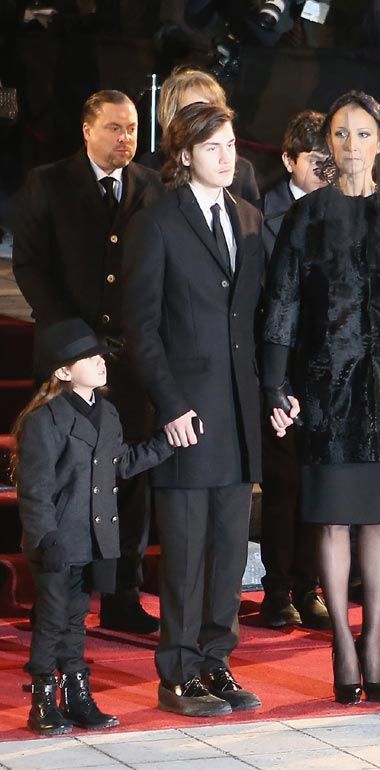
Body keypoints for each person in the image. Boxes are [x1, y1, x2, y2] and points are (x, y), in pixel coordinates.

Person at [263, 91, 380, 704]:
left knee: (377, 519)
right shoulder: (306, 217)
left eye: (362, 133)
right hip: (324, 391)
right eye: (340, 134)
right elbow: (282, 309)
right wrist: (277, 384)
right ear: (329, 144)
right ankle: (342, 649)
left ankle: (372, 641)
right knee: (330, 519)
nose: (351, 145)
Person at [122, 102, 264, 717]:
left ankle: (216, 662)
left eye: (231, 144)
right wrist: (170, 405)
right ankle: (178, 670)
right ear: (183, 154)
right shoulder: (157, 224)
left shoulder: (252, 221)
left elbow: (255, 324)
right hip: (186, 418)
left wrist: (274, 395)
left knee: (230, 548)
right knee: (184, 550)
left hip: (238, 415)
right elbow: (141, 329)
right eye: (213, 147)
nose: (227, 156)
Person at [12, 89, 164, 634]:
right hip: (65, 355)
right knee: (59, 476)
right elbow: (29, 265)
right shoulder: (48, 182)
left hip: (130, 359)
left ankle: (123, 594)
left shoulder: (151, 186)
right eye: (115, 128)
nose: (127, 138)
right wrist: (75, 342)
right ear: (86, 129)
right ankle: (54, 594)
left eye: (132, 128)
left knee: (128, 478)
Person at [11, 318, 174, 735]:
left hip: (94, 537)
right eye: (88, 357)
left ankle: (77, 693)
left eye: (100, 355)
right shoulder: (45, 420)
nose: (100, 362)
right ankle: (44, 698)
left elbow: (118, 464)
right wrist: (45, 538)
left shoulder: (108, 413)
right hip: (58, 539)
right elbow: (37, 489)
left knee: (77, 617)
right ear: (64, 371)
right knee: (52, 619)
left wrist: (164, 444)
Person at [259, 109, 331, 630]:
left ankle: (310, 587)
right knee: (284, 483)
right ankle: (277, 590)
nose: (326, 168)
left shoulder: (341, 209)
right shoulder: (263, 212)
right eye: (315, 159)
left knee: (318, 483)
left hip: (327, 368)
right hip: (281, 364)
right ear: (289, 159)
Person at [138, 64, 260, 205]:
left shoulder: (242, 170)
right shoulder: (150, 168)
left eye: (211, 108)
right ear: (172, 116)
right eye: (196, 111)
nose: (206, 118)